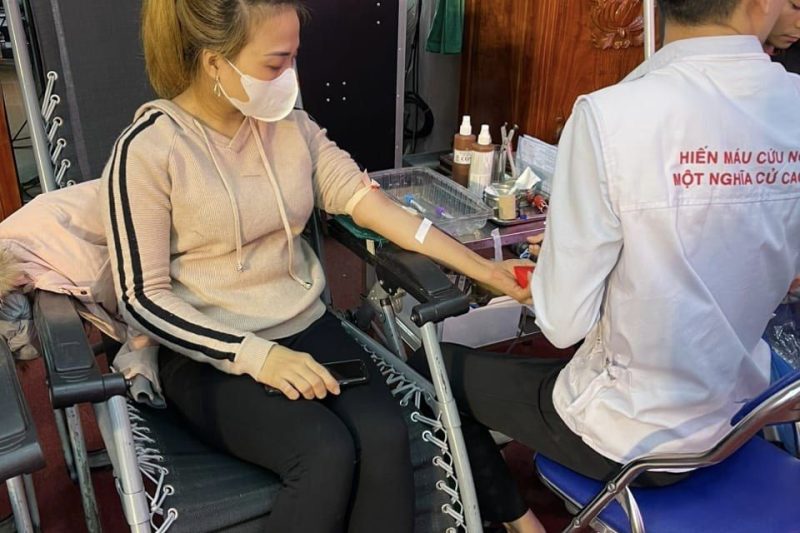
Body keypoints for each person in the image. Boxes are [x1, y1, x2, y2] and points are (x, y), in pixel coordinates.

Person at [101, 1, 530, 532]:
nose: (291, 79)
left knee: (384, 436)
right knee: (324, 453)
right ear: (214, 62)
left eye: (294, 59)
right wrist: (257, 357)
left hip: (303, 322)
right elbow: (141, 298)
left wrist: (486, 271)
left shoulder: (292, 129)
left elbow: (372, 206)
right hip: (206, 351)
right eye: (275, 63)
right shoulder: (147, 150)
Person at [411, 0, 800, 532]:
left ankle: (524, 526)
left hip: (632, 438)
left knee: (427, 367)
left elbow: (562, 323)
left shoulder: (612, 115)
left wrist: (561, 269)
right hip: (739, 413)